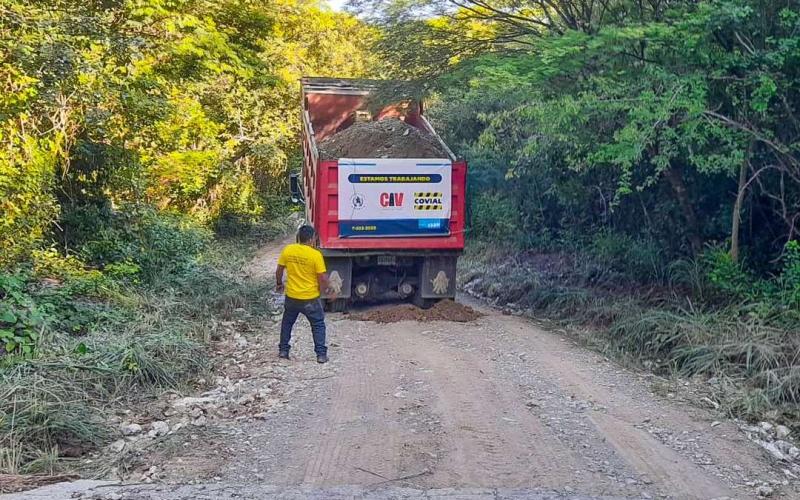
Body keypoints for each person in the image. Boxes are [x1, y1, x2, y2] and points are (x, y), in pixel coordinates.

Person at [275, 225, 334, 363]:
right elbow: (322, 277)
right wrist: (328, 291)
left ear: (298, 237)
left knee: (287, 323)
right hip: (310, 298)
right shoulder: (315, 255)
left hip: (292, 297)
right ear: (312, 239)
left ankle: (283, 351)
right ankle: (321, 355)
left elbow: (279, 270)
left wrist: (279, 283)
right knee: (318, 324)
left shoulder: (288, 250)